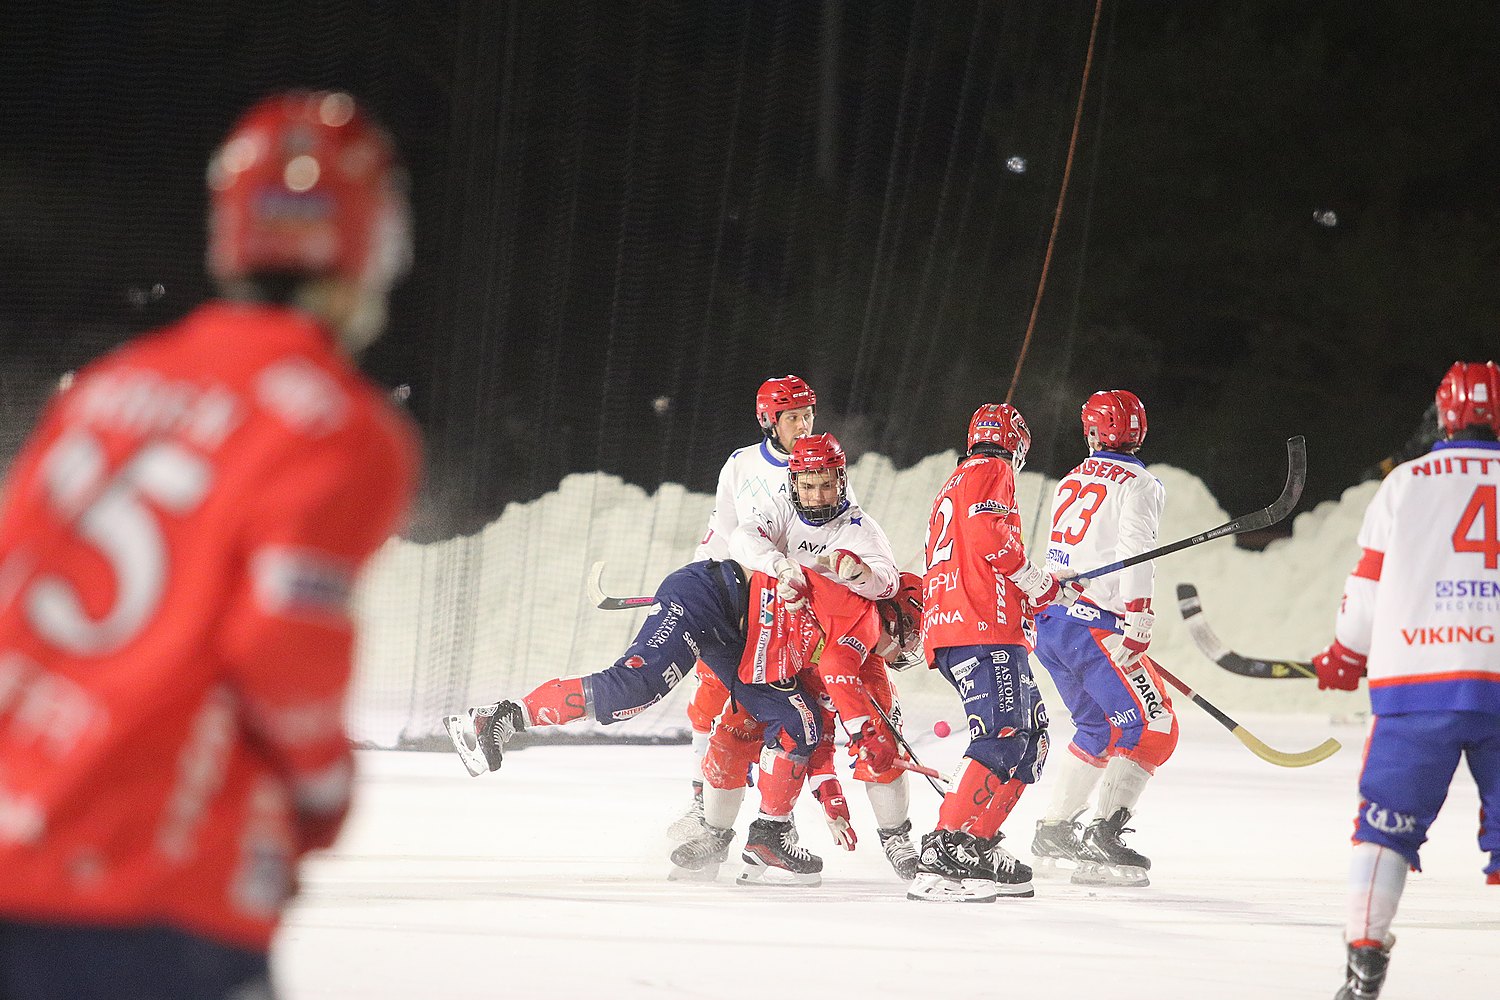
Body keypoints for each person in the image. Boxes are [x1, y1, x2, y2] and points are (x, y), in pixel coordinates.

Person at [0, 91, 420, 1000]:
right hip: (150, 879)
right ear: (370, 242)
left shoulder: (109, 386)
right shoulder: (338, 423)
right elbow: (280, 639)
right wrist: (321, 787)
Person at [445, 561, 915, 885]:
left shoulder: (864, 637)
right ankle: (498, 718)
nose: (907, 650)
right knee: (632, 690)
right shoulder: (865, 621)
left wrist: (834, 788)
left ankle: (768, 834)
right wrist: (867, 732)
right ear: (894, 616)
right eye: (911, 634)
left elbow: (828, 715)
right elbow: (837, 673)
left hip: (743, 639)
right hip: (711, 600)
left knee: (801, 721)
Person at [1313, 361, 1500, 1000]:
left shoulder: (1406, 483)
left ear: (1444, 415)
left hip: (1417, 686)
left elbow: (1366, 586)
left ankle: (1363, 970)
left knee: (1382, 830)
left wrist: (1344, 654)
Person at [908, 402, 1083, 903]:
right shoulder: (992, 468)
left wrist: (1039, 588)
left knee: (1032, 738)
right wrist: (1031, 577)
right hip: (979, 628)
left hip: (971, 627)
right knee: (1004, 733)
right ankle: (944, 851)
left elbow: (978, 555)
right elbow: (991, 539)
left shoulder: (958, 479)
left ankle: (977, 844)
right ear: (1018, 445)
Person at [669, 571, 924, 884]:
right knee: (731, 732)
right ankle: (716, 832)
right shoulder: (823, 586)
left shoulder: (864, 658)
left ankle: (893, 836)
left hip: (803, 662)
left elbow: (824, 735)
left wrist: (828, 791)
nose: (910, 645)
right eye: (910, 630)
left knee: (878, 739)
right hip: (772, 650)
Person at [1028, 390, 1178, 888]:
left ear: (1090, 431)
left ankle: (1052, 832)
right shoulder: (1140, 482)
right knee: (1154, 729)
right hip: (1097, 628)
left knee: (1098, 728)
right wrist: (1138, 617)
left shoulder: (1070, 478)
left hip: (1054, 624)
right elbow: (1138, 550)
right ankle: (1101, 841)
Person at [672, 376, 821, 838]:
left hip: (791, 611)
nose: (803, 425)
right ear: (768, 421)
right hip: (739, 606)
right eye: (793, 417)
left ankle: (779, 818)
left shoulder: (822, 464)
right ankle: (702, 805)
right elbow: (723, 530)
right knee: (710, 700)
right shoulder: (740, 464)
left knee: (792, 712)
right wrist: (701, 587)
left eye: (808, 414)